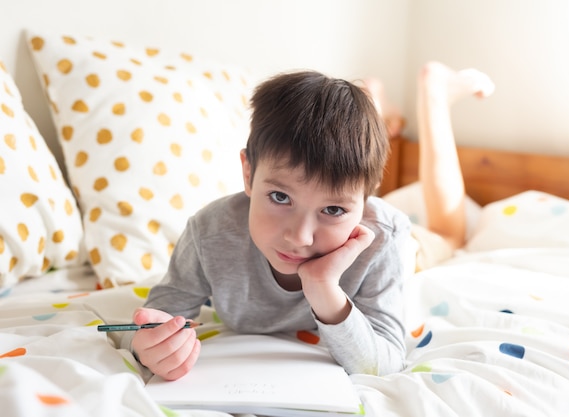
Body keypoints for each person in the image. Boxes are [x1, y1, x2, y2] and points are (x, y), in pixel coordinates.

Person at [129, 62, 495, 381]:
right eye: (280, 197)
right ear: (248, 173)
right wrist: (147, 345)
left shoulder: (387, 236)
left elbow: (382, 365)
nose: (299, 237)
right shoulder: (209, 233)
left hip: (412, 247)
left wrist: (324, 290)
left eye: (333, 210)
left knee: (450, 234)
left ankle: (434, 93)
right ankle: (376, 104)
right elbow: (158, 319)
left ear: (365, 200)